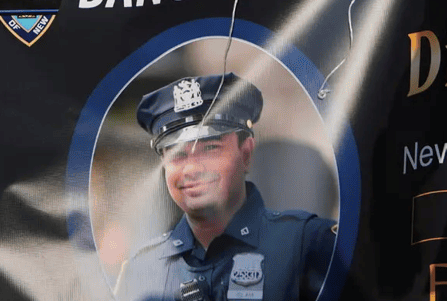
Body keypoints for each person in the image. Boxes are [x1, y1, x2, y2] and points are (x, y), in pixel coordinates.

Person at [116, 74, 336, 301]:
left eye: (210, 147)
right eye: (177, 154)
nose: (191, 168)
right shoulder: (141, 270)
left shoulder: (308, 244)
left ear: (246, 153)